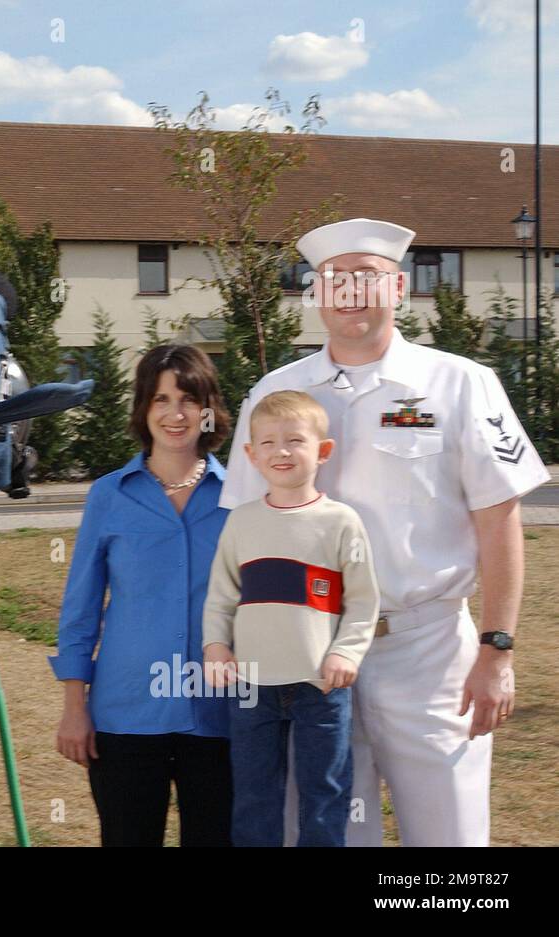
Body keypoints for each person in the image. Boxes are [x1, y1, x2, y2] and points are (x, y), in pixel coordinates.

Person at [220, 217, 550, 846]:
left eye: (365, 278)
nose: (349, 291)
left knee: (449, 838)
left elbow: (498, 517)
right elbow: (245, 530)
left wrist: (497, 649)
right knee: (325, 833)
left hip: (424, 650)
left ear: (398, 287)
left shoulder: (460, 383)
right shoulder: (274, 394)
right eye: (333, 279)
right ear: (316, 295)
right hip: (307, 651)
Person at [51, 344, 233, 846]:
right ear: (143, 409)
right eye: (160, 399)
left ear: (208, 410)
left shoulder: (242, 495)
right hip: (126, 713)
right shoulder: (109, 495)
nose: (175, 414)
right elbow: (81, 606)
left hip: (220, 715)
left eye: (188, 400)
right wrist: (74, 705)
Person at [203, 390, 380, 846]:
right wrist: (216, 647)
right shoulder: (241, 522)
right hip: (250, 683)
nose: (281, 451)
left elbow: (362, 600)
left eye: (295, 440)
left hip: (320, 685)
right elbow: (221, 597)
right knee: (255, 794)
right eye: (267, 443)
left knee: (325, 793)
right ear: (250, 455)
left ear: (322, 451)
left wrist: (346, 651)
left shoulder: (341, 522)